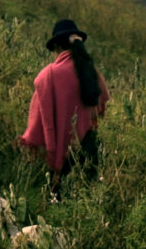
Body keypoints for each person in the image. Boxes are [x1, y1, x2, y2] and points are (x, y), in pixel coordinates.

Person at [18, 19, 110, 188]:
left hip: (62, 155)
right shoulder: (91, 71)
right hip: (89, 151)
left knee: (58, 202)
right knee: (86, 200)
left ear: (57, 48)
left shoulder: (49, 75)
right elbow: (103, 105)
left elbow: (39, 119)